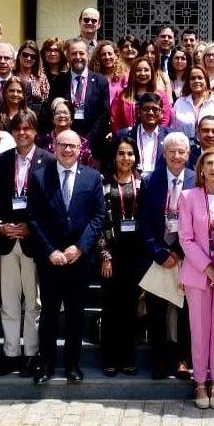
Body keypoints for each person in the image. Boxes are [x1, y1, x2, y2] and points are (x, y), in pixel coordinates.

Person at [27, 130, 105, 384]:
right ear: (55, 146)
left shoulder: (92, 178)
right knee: (48, 312)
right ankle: (46, 364)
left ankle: (72, 364)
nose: (68, 150)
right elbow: (34, 218)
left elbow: (98, 217)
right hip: (51, 259)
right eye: (63, 145)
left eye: (72, 146)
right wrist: (50, 250)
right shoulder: (39, 177)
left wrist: (80, 248)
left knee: (75, 313)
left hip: (79, 259)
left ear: (80, 149)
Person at [0, 111, 54, 378]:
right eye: (18, 129)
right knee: (9, 301)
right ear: (12, 132)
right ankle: (11, 353)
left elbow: (52, 204)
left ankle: (31, 354)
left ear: (35, 131)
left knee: (33, 302)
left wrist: (32, 227)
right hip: (7, 240)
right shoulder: (1, 161)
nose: (22, 133)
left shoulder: (48, 162)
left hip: (33, 240)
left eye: (28, 129)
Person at [178, 147, 214, 409]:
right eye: (209, 163)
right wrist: (207, 268)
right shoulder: (188, 196)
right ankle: (200, 381)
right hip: (198, 274)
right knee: (199, 330)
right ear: (201, 168)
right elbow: (185, 239)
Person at [137, 132, 195, 380]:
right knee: (157, 310)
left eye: (181, 151)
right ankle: (159, 359)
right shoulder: (151, 181)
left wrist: (181, 252)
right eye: (172, 151)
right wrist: (159, 253)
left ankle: (183, 358)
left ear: (188, 154)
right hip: (159, 256)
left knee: (186, 312)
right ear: (164, 154)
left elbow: (199, 220)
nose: (177, 156)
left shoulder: (196, 179)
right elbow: (144, 222)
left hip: (187, 256)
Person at [97, 137, 145, 377]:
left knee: (130, 309)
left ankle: (128, 357)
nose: (126, 158)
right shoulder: (103, 182)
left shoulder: (142, 182)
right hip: (111, 256)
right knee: (111, 308)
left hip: (134, 255)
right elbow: (99, 220)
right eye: (121, 153)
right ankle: (109, 358)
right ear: (113, 156)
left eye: (130, 154)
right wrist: (105, 255)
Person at [49, 39, 111, 161]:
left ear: (88, 54)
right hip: (64, 142)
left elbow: (105, 113)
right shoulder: (60, 81)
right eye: (74, 53)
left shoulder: (100, 81)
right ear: (68, 56)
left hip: (93, 143)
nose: (78, 57)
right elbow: (52, 110)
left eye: (81, 53)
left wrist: (86, 140)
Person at [110, 57, 173, 132]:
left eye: (146, 70)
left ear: (151, 73)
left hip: (154, 139)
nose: (142, 73)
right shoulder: (121, 95)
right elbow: (115, 120)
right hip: (127, 140)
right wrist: (122, 137)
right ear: (133, 73)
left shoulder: (161, 95)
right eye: (138, 70)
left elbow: (164, 120)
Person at [114, 92, 169, 174]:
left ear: (161, 113)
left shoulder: (170, 136)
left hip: (160, 183)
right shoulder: (123, 135)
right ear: (139, 112)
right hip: (132, 182)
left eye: (155, 109)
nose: (150, 112)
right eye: (146, 109)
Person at [35, 97, 93, 166]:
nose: (62, 115)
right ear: (52, 118)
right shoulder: (42, 141)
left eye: (65, 113)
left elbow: (88, 168)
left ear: (72, 118)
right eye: (58, 113)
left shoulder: (82, 142)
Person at [172, 66, 214, 141]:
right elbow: (173, 129)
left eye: (200, 78)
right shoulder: (180, 103)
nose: (196, 81)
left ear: (206, 80)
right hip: (184, 147)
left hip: (210, 147)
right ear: (188, 82)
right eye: (192, 78)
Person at [14, 40, 50, 113]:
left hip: (35, 117)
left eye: (33, 56)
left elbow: (45, 101)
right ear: (19, 55)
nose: (29, 58)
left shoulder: (41, 78)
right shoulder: (11, 75)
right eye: (25, 55)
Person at [89, 40, 128, 105]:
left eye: (110, 54)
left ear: (116, 56)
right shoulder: (94, 77)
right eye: (103, 54)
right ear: (99, 57)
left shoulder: (124, 76)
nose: (107, 57)